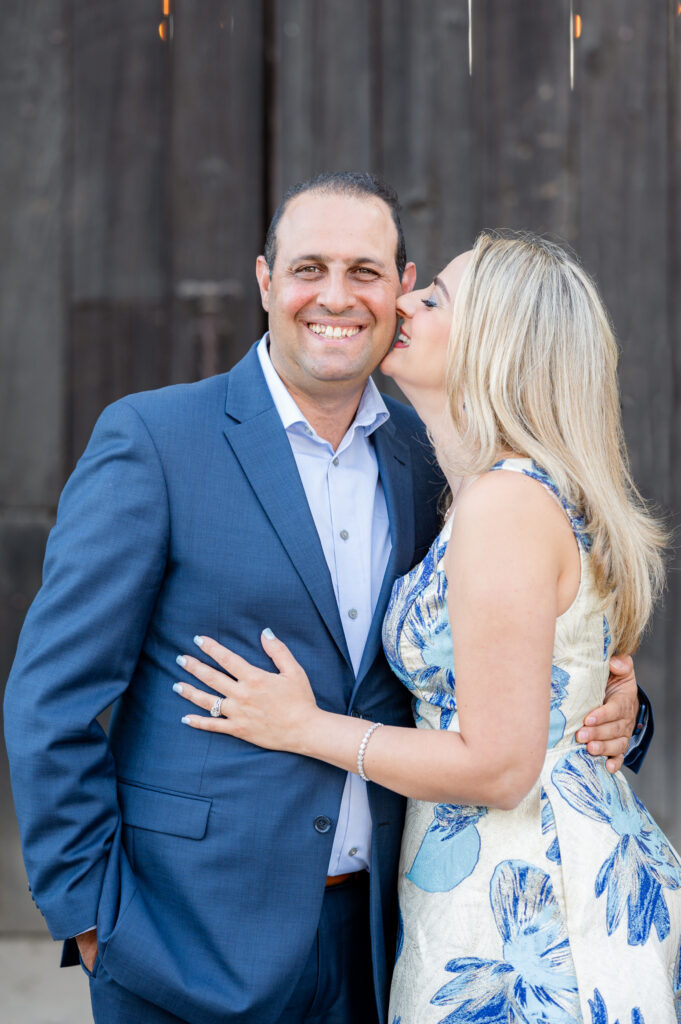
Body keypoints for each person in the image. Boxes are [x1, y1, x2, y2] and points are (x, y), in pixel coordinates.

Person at [4, 177, 645, 1024]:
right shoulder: (156, 441)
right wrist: (91, 916)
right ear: (266, 281)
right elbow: (52, 697)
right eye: (309, 268)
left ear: (399, 287)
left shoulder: (435, 460)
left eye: (367, 272)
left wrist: (617, 709)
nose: (335, 297)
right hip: (187, 941)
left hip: (385, 937)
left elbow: (518, 651)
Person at [173, 231, 679, 1022]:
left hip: (522, 904)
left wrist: (305, 727)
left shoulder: (504, 504)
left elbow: (499, 766)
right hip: (515, 870)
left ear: (495, 341)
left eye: (435, 296)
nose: (403, 301)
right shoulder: (503, 487)